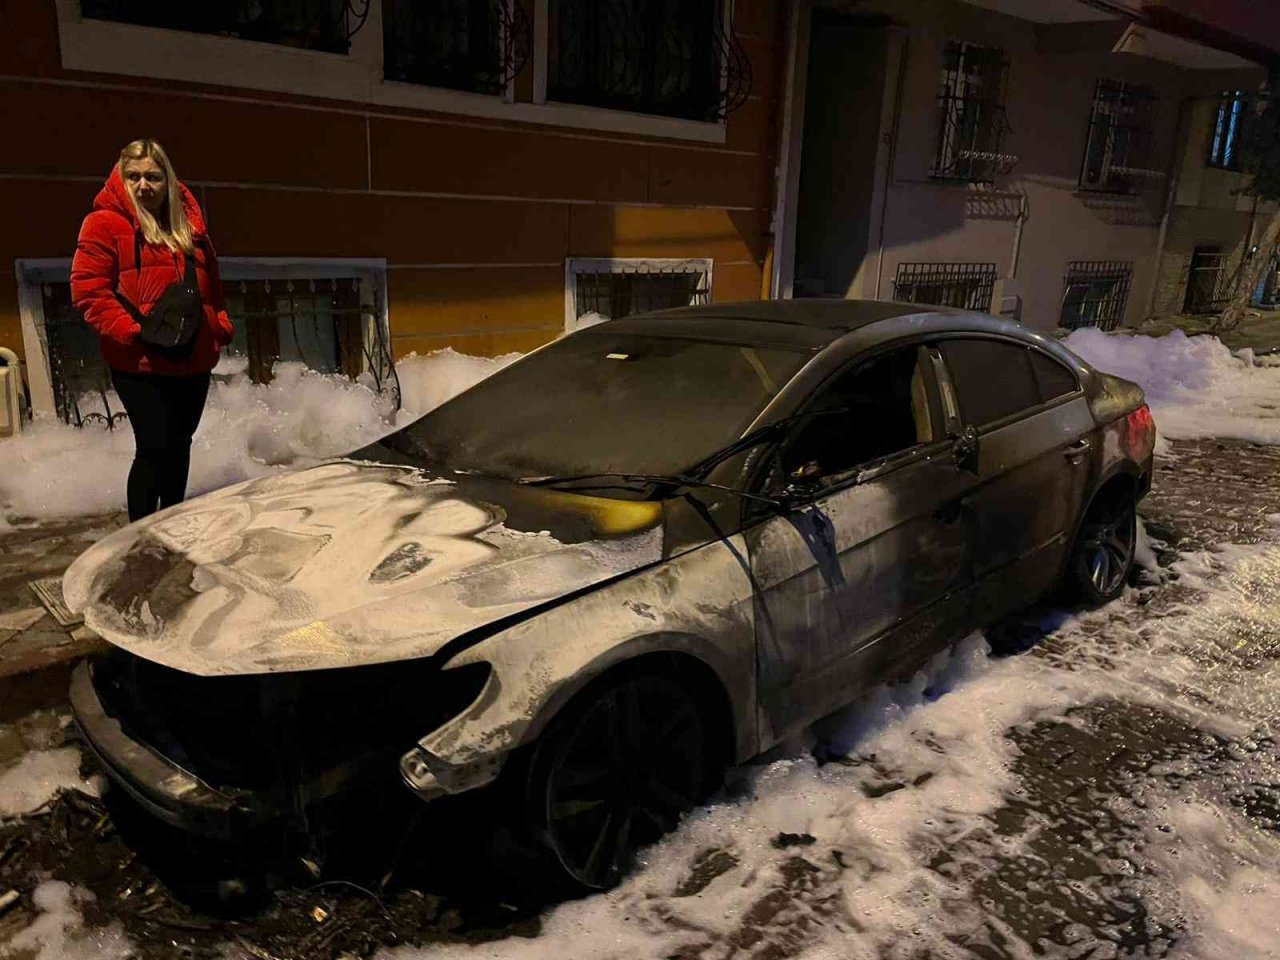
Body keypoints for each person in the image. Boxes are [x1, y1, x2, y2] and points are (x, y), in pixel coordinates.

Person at [71, 139, 235, 522]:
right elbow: (88, 290)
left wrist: (220, 326)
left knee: (179, 446)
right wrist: (131, 332)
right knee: (154, 447)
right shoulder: (103, 224)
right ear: (120, 179)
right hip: (140, 362)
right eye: (134, 176)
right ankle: (141, 534)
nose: (143, 185)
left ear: (167, 181)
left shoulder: (188, 225)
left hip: (192, 357)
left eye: (153, 177)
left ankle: (171, 523)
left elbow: (213, 283)